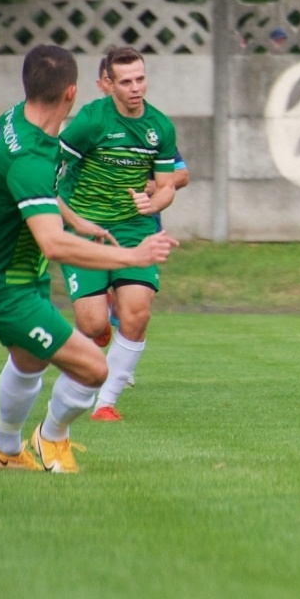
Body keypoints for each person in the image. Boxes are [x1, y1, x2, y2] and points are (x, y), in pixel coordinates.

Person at [0, 45, 177, 474]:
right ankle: (51, 438)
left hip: (16, 271)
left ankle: (3, 450)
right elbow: (54, 244)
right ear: (73, 92)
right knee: (93, 368)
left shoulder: (17, 119)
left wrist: (77, 218)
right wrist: (131, 253)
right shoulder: (31, 157)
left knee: (30, 359)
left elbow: (42, 198)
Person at [56, 45, 182, 422]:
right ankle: (98, 329)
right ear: (108, 84)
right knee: (93, 325)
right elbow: (46, 171)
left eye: (140, 79)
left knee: (138, 314)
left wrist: (155, 204)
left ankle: (106, 403)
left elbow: (168, 184)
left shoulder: (159, 127)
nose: (135, 88)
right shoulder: (91, 122)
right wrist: (72, 219)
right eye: (126, 81)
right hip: (84, 224)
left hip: (133, 228)